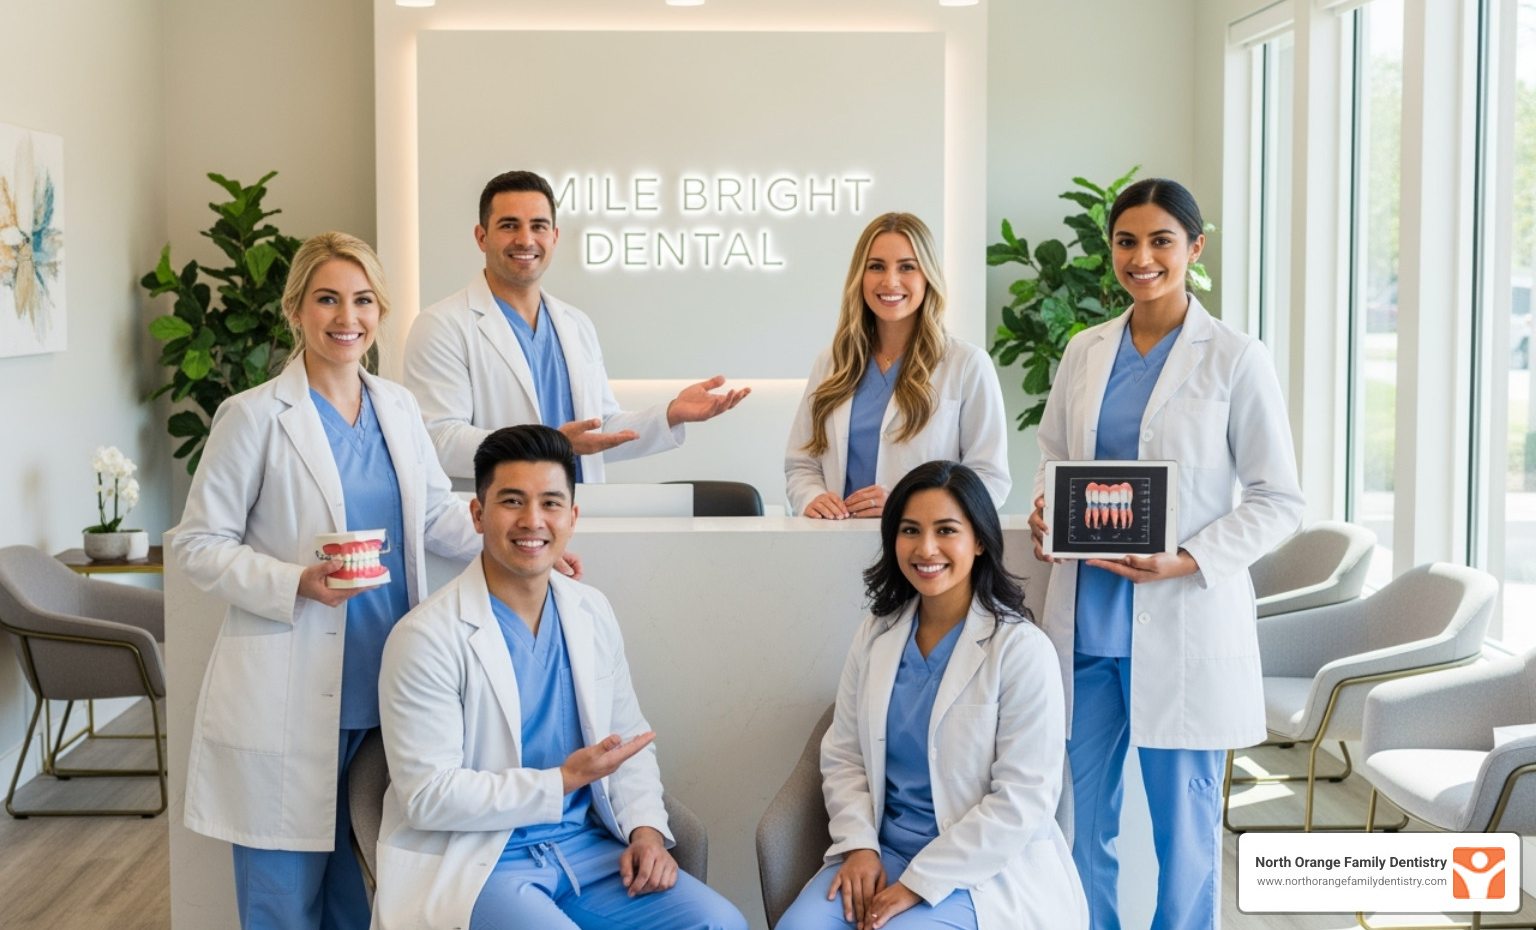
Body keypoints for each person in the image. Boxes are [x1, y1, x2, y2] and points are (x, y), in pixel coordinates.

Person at [172, 232, 481, 930]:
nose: (348, 316)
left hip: (386, 695)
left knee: (363, 896)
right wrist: (295, 582)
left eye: (364, 300)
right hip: (289, 691)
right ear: (296, 310)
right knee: (281, 903)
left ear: (382, 310)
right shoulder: (251, 417)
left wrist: (518, 541)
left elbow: (434, 515)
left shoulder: (399, 409)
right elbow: (196, 545)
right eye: (328, 299)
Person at [1028, 178, 1306, 930]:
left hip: (1182, 627)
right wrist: (1046, 510)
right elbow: (1055, 456)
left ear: (1194, 249)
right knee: (1077, 823)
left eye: (1160, 242)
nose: (1141, 258)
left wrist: (1185, 558)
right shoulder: (1085, 351)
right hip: (1086, 629)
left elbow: (1279, 499)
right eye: (1126, 242)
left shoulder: (1236, 358)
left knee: (1184, 838)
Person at [372, 424, 748, 930]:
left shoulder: (591, 611)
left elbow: (629, 741)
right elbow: (428, 796)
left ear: (572, 517)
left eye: (550, 503)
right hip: (483, 861)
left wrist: (646, 833)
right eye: (512, 501)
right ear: (478, 514)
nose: (533, 520)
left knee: (721, 923)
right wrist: (562, 781)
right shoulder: (425, 637)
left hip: (588, 849)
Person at [776, 460, 1087, 930]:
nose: (926, 549)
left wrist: (919, 883)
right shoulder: (876, 635)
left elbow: (1023, 799)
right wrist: (858, 846)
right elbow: (844, 756)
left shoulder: (1022, 649)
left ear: (979, 540)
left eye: (946, 530)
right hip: (883, 852)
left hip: (979, 873)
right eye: (910, 530)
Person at [404, 170, 750, 487]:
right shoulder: (442, 326)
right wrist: (551, 444)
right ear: (482, 237)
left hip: (577, 513)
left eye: (538, 226)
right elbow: (439, 440)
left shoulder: (576, 324)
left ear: (554, 237)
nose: (526, 240)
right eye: (509, 225)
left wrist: (670, 413)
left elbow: (598, 432)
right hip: (498, 521)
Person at [784, 213, 1009, 519]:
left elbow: (990, 476)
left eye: (907, 267)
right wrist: (812, 497)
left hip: (924, 550)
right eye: (876, 266)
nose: (890, 281)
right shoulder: (833, 362)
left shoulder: (967, 364)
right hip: (836, 541)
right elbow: (802, 463)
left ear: (927, 275)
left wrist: (909, 508)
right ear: (859, 277)